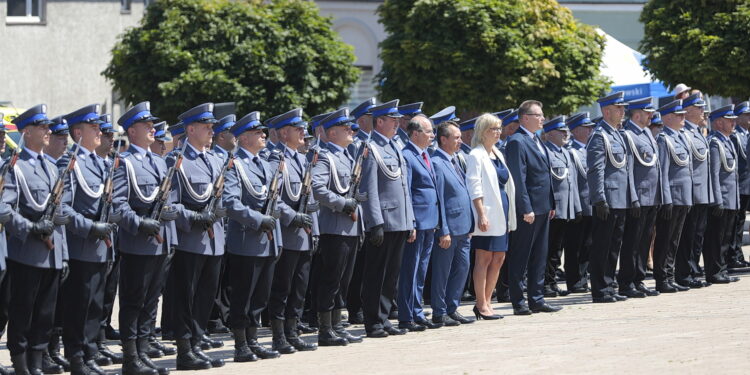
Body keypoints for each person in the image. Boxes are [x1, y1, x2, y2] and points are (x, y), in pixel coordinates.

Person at [113, 101, 177, 375]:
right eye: (147, 125)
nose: (153, 129)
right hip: (137, 241)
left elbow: (167, 200)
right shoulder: (124, 163)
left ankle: (143, 351)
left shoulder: (158, 161)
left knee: (151, 301)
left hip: (159, 240)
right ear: (132, 130)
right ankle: (130, 358)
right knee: (133, 300)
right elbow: (118, 205)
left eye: (152, 124)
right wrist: (141, 225)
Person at [6, 105, 70, 375]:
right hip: (27, 252)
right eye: (42, 127)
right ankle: (21, 365)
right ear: (27, 132)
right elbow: (4, 209)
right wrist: (31, 228)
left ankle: (36, 362)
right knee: (23, 312)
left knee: (45, 314)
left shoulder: (52, 167)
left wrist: (64, 254)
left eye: (48, 127)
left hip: (52, 253)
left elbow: (58, 214)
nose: (48, 131)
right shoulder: (15, 167)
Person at [58, 105, 118, 375]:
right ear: (78, 132)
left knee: (96, 304)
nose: (100, 132)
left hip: (101, 246)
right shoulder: (70, 162)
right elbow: (63, 207)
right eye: (94, 128)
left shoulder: (102, 163)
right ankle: (77, 358)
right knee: (79, 305)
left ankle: (90, 353)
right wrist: (90, 227)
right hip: (81, 245)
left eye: (99, 127)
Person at [169, 103, 226, 371]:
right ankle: (184, 349)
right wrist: (194, 218)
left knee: (205, 296)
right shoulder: (177, 161)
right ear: (190, 129)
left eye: (212, 126)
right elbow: (170, 204)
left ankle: (196, 343)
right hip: (190, 239)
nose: (211, 131)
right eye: (206, 126)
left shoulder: (214, 160)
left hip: (214, 240)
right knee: (186, 297)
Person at [222, 111, 283, 361]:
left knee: (260, 295)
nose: (264, 136)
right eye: (258, 133)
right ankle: (240, 344)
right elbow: (230, 202)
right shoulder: (234, 164)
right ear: (244, 138)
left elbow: (274, 198)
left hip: (267, 241)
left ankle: (253, 339)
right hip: (247, 240)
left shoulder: (263, 163)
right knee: (243, 295)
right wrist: (259, 220)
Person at [359, 99, 415, 338]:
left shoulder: (394, 147)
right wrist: (375, 222)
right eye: (393, 120)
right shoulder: (370, 149)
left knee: (391, 274)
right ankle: (373, 322)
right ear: (379, 122)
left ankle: (383, 317)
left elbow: (404, 188)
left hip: (400, 220)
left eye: (397, 120)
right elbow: (369, 188)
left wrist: (410, 221)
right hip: (384, 220)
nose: (397, 124)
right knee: (376, 274)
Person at [310, 108, 365, 346]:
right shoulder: (324, 156)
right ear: (331, 133)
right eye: (345, 129)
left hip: (350, 226)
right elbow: (318, 188)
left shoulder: (346, 155)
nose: (351, 131)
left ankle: (336, 325)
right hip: (334, 227)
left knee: (344, 280)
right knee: (331, 279)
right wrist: (343, 204)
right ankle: (325, 329)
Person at [265, 109, 318, 353]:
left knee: (299, 286)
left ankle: (293, 330)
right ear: (284, 133)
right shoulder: (277, 160)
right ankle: (279, 335)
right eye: (298, 130)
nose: (303, 135)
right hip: (287, 232)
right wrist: (293, 217)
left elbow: (308, 197)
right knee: (283, 287)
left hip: (304, 233)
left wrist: (313, 229)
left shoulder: (301, 159)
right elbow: (274, 198)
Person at [505, 100, 559, 315]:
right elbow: (519, 178)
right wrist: (525, 208)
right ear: (525, 118)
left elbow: (544, 175)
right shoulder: (517, 141)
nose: (542, 118)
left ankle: (537, 298)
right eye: (538, 115)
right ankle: (518, 301)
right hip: (528, 210)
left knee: (540, 254)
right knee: (521, 255)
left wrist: (551, 203)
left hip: (543, 206)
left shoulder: (537, 140)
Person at [587, 91, 638, 303]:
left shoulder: (617, 134)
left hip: (621, 199)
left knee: (614, 245)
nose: (623, 111)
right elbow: (595, 170)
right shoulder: (599, 136)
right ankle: (599, 289)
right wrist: (599, 198)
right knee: (602, 245)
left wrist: (632, 198)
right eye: (619, 108)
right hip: (607, 200)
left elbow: (626, 170)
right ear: (607, 111)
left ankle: (609, 285)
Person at [466, 113, 516, 319]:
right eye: (493, 129)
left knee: (499, 257)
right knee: (484, 257)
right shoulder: (475, 154)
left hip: (502, 210)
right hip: (486, 211)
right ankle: (480, 302)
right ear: (482, 132)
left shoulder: (497, 152)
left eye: (499, 129)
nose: (498, 132)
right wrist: (481, 214)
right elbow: (474, 185)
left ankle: (487, 301)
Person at [430, 121, 475, 326]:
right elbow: (439, 199)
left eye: (460, 137)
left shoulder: (455, 160)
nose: (460, 141)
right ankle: (439, 311)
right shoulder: (437, 162)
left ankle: (452, 307)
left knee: (462, 268)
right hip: (449, 228)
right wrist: (443, 230)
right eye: (456, 138)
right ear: (443, 139)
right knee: (442, 271)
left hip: (464, 226)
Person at [617, 97, 662, 298]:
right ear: (637, 114)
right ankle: (627, 282)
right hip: (639, 197)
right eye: (647, 112)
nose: (651, 115)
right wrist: (633, 197)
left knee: (645, 240)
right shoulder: (628, 135)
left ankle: (639, 279)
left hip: (652, 196)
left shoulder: (647, 134)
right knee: (632, 242)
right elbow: (627, 170)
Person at [398, 114, 440, 330]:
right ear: (415, 133)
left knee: (421, 270)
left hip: (429, 221)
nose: (433, 135)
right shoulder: (407, 155)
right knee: (410, 270)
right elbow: (407, 192)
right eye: (429, 131)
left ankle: (417, 310)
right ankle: (406, 315)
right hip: (417, 222)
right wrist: (411, 223)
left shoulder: (425, 155)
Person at [653, 100, 693, 293]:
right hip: (672, 197)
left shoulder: (680, 138)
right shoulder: (663, 139)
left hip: (683, 197)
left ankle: (670, 275)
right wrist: (666, 199)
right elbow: (663, 173)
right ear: (668, 118)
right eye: (679, 115)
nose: (683, 118)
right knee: (665, 238)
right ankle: (662, 278)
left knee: (675, 239)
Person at [676, 93, 713, 288]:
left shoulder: (698, 132)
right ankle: (684, 273)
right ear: (688, 111)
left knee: (698, 235)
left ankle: (692, 271)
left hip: (702, 192)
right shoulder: (685, 134)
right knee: (688, 235)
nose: (703, 112)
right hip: (692, 193)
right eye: (699, 108)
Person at [345, 97, 376, 325]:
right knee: (358, 265)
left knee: (370, 266)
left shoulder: (375, 143)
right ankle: (355, 308)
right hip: (358, 210)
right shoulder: (358, 145)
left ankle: (366, 305)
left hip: (370, 210)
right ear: (364, 120)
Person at [542, 116, 580, 297]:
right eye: (561, 131)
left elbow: (571, 183)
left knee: (558, 250)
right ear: (549, 134)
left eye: (566, 131)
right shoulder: (546, 153)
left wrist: (576, 207)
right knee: (548, 249)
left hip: (566, 209)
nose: (566, 134)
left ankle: (552, 282)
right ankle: (546, 284)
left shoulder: (565, 152)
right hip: (553, 209)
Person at [704, 105, 741, 284]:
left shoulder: (727, 140)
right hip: (721, 198)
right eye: (729, 120)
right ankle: (714, 271)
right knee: (716, 238)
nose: (734, 122)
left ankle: (722, 269)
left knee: (726, 237)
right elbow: (714, 174)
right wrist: (717, 200)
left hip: (731, 198)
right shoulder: (714, 142)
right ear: (719, 123)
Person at [563, 112, 595, 293]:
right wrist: (575, 206)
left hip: (591, 204)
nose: (590, 130)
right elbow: (572, 182)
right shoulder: (571, 151)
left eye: (591, 126)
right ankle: (574, 280)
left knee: (588, 245)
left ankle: (583, 278)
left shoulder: (590, 149)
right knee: (574, 246)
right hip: (578, 206)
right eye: (586, 127)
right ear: (575, 130)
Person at [728, 101, 750, 268]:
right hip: (740, 185)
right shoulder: (736, 136)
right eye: (747, 115)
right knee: (735, 222)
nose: (749, 118)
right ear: (739, 117)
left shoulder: (746, 135)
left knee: (740, 221)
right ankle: (733, 255)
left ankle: (738, 254)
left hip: (746, 185)